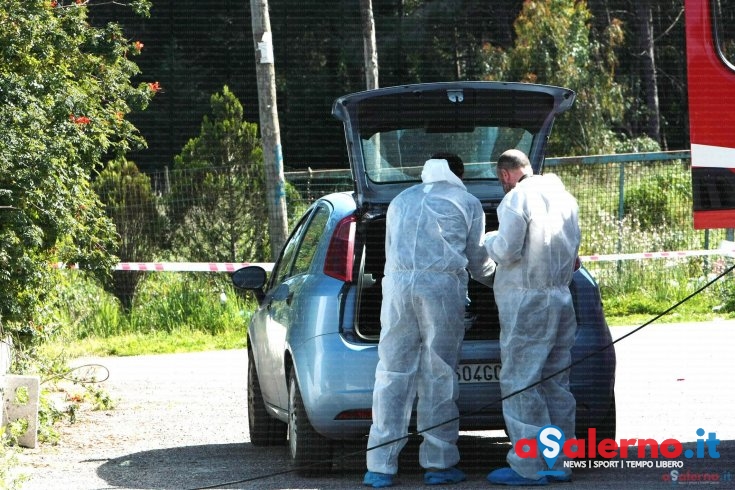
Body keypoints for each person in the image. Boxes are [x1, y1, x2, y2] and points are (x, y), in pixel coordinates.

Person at [364, 153, 496, 488]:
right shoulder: (466, 202)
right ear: (459, 173)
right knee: (438, 372)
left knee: (392, 372)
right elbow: (478, 261)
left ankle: (379, 465)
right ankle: (439, 463)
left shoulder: (400, 200)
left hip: (396, 290)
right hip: (440, 290)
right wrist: (506, 281)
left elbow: (388, 249)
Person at [484, 149, 581, 486]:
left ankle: (528, 466)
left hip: (527, 303)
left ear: (505, 174)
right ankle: (559, 462)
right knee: (556, 382)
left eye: (502, 180)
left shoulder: (515, 200)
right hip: (561, 299)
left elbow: (507, 250)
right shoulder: (564, 197)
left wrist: (488, 241)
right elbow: (575, 257)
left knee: (521, 383)